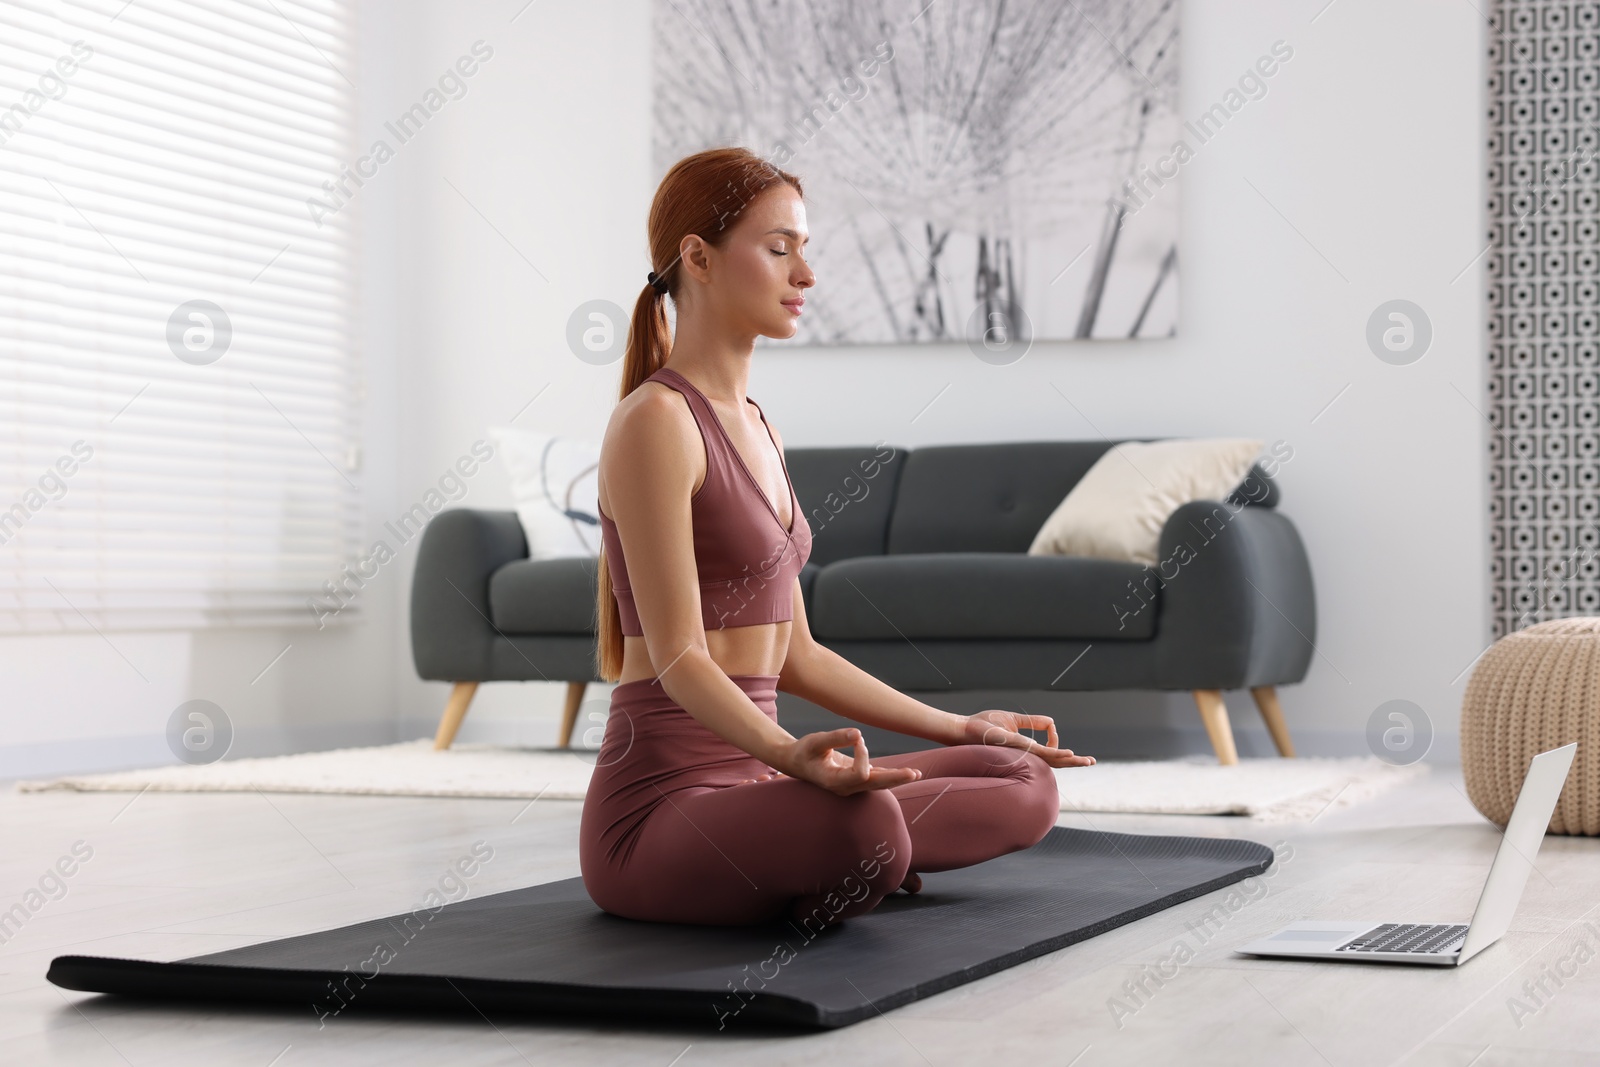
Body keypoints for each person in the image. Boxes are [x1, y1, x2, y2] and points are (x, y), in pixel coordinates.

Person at [579, 146, 1095, 929]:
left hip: (765, 781)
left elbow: (798, 654)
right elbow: (681, 658)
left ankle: (822, 858)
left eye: (804, 251)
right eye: (779, 248)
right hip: (664, 808)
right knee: (869, 824)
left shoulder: (760, 427)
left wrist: (963, 725)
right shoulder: (656, 422)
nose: (805, 277)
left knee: (1021, 776)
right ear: (699, 258)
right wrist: (790, 757)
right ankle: (838, 852)